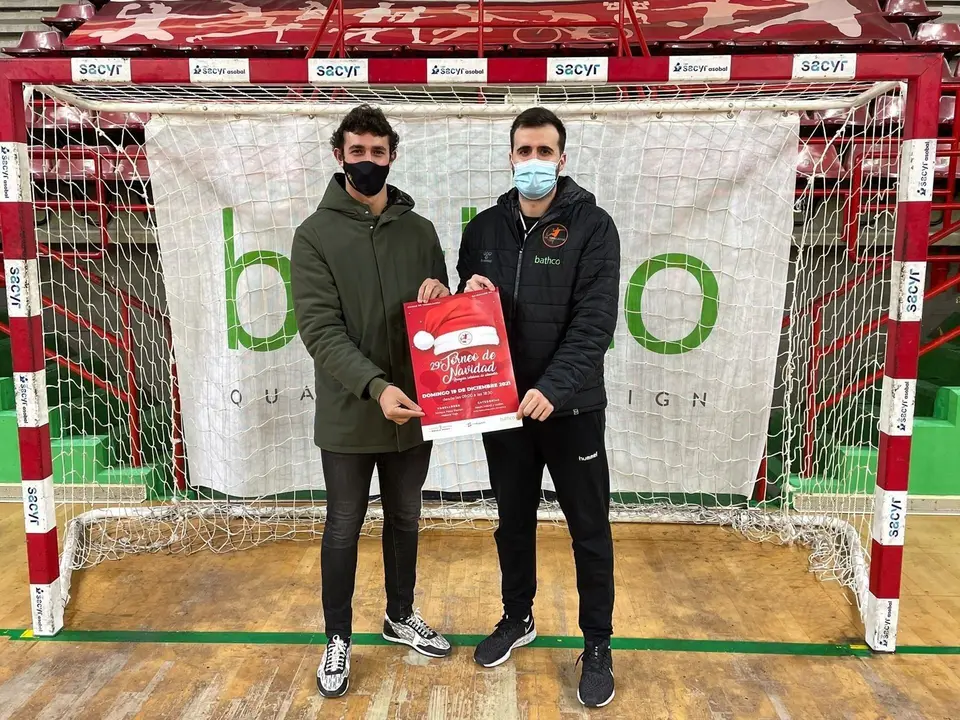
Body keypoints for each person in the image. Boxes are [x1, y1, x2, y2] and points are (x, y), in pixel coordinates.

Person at [457, 108, 620, 708]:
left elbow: (595, 322)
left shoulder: (594, 226)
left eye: (544, 151)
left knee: (588, 529)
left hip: (571, 408)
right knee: (513, 522)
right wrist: (467, 295)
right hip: (503, 408)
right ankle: (517, 616)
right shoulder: (482, 230)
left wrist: (553, 387)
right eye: (524, 151)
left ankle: (597, 644)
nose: (533, 161)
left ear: (562, 158)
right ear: (510, 156)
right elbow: (471, 319)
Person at [291, 104, 453, 699]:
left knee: (406, 517)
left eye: (377, 152)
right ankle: (337, 637)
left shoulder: (421, 230)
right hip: (351, 411)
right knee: (343, 526)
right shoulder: (314, 235)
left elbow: (438, 319)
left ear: (392, 156)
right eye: (357, 151)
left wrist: (442, 296)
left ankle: (400, 615)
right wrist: (376, 387)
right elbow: (320, 331)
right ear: (340, 156)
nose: (367, 161)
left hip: (413, 409)